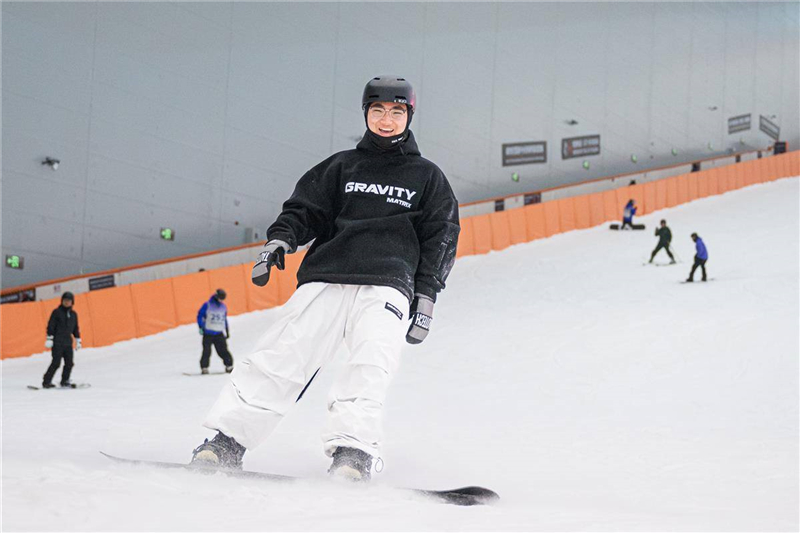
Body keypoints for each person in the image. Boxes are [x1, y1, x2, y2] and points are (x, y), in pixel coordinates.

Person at [190, 75, 460, 482]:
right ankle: (226, 442)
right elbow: (304, 210)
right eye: (378, 110)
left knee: (370, 365)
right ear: (366, 113)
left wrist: (427, 296)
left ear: (409, 116)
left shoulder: (428, 177)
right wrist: (281, 240)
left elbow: (441, 237)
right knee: (281, 357)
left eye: (396, 112)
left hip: (388, 283)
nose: (386, 120)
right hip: (327, 275)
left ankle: (354, 454)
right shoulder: (341, 166)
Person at [43, 292, 81, 388]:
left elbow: (75, 328)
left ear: (72, 302)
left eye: (69, 300)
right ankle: (46, 381)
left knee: (69, 363)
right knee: (56, 363)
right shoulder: (56, 312)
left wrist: (78, 339)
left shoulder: (73, 314)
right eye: (65, 300)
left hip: (68, 343)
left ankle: (65, 381)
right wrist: (49, 338)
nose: (66, 302)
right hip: (57, 342)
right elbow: (51, 325)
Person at [197, 289, 234, 374]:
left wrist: (227, 330)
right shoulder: (207, 305)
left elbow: (224, 319)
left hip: (219, 333)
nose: (221, 300)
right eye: (220, 298)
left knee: (223, 350)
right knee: (207, 351)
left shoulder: (223, 306)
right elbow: (200, 316)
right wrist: (201, 326)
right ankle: (204, 367)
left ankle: (229, 365)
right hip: (208, 333)